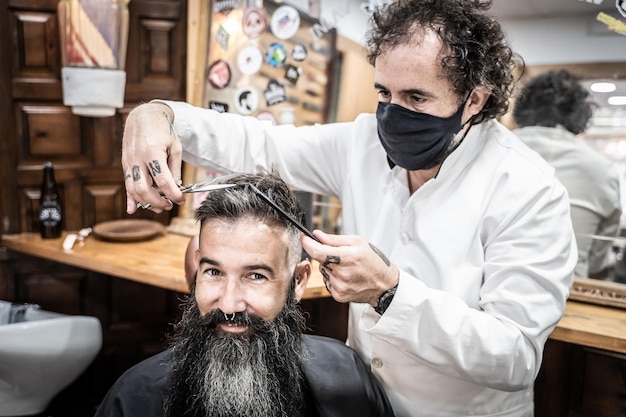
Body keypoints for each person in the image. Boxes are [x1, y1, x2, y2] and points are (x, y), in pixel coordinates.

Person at [120, 0, 577, 415]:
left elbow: (514, 356)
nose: (393, 114)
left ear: (474, 99)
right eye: (384, 93)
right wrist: (159, 114)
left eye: (416, 98)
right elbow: (259, 142)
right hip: (363, 403)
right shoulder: (363, 142)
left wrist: (389, 292)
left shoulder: (528, 190)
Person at [94, 172, 395, 417]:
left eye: (256, 276)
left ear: (299, 280)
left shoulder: (345, 380)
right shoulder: (135, 398)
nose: (228, 303)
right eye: (214, 272)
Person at [513, 69, 622, 279]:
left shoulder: (491, 151)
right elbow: (597, 261)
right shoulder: (601, 169)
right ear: (580, 114)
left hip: (485, 289)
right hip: (574, 291)